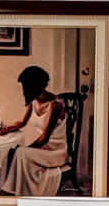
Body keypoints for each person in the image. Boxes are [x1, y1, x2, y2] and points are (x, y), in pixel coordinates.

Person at [6, 64, 72, 195]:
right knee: (18, 152)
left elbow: (44, 138)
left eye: (23, 87)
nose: (22, 91)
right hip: (44, 150)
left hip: (56, 152)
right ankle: (18, 191)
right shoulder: (33, 101)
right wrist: (6, 129)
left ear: (32, 87)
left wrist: (28, 148)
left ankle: (17, 192)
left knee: (20, 153)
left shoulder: (55, 105)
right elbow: (21, 122)